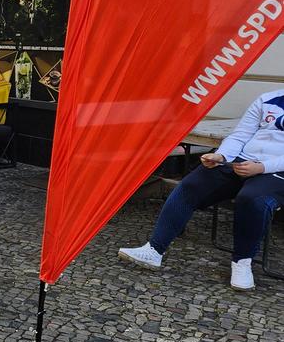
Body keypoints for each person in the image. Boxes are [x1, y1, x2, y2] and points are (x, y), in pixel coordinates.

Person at [118, 90, 284, 291]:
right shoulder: (267, 99)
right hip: (242, 159)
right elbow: (241, 135)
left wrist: (262, 167)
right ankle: (154, 249)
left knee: (251, 199)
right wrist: (221, 156)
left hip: (275, 170)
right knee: (192, 184)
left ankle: (242, 262)